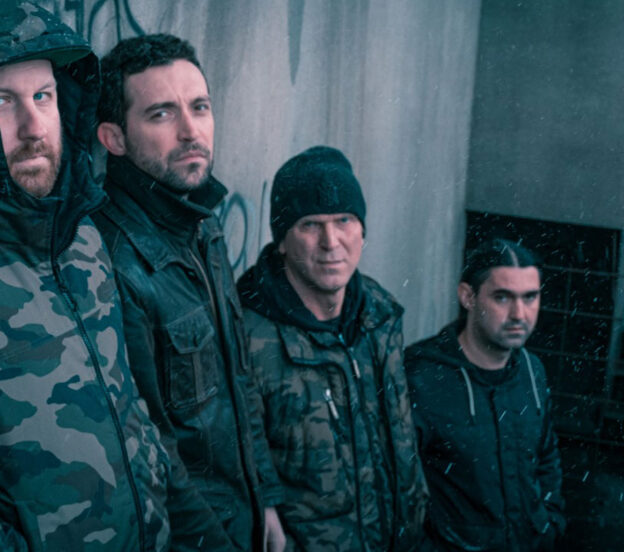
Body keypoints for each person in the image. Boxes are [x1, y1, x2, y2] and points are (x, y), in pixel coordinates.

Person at [0, 0, 170, 550]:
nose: (34, 125)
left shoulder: (80, 233)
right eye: (2, 101)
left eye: (44, 95)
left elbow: (128, 401)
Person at [92, 33, 284, 552]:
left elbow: (237, 378)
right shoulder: (113, 262)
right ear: (114, 137)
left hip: (242, 516)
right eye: (161, 114)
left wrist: (264, 499)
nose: (190, 130)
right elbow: (149, 443)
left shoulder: (201, 223)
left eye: (200, 107)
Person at [236, 146, 427, 551]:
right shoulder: (247, 336)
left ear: (362, 231)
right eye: (310, 224)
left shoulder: (380, 316)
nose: (331, 241)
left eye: (344, 220)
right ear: (282, 241)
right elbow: (240, 458)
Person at [404, 239, 565, 551]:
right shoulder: (422, 377)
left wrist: (549, 522)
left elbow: (546, 456)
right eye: (502, 297)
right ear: (468, 296)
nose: (519, 313)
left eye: (530, 297)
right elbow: (395, 484)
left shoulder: (531, 370)